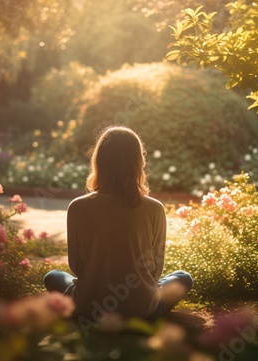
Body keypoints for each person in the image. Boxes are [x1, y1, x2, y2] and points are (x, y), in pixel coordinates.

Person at [44, 126, 193, 325]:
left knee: (53, 276)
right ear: (138, 162)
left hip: (89, 308)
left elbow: (76, 266)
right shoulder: (154, 208)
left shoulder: (77, 207)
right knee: (183, 278)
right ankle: (140, 310)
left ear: (99, 161)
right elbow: (155, 270)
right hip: (142, 310)